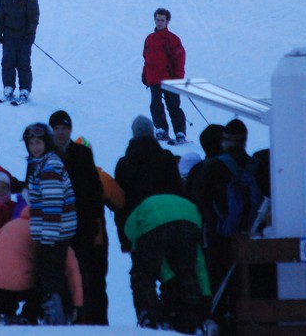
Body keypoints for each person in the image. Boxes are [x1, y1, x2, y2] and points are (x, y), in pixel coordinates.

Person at [197, 118, 265, 317]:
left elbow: (200, 201)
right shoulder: (258, 166)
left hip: (220, 238)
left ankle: (220, 321)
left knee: (219, 282)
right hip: (252, 237)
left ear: (224, 141)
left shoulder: (212, 167)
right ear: (245, 140)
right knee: (248, 283)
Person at [47, 111, 107, 325]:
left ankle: (82, 319)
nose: (60, 132)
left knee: (81, 274)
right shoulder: (46, 154)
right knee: (57, 273)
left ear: (70, 130)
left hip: (81, 226)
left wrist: (93, 220)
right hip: (54, 227)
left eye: (63, 128)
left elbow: (95, 189)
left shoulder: (82, 153)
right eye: (56, 128)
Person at [125, 193, 211, 333]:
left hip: (153, 221)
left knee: (142, 276)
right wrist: (206, 295)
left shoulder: (131, 226)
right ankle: (191, 318)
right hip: (191, 217)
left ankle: (151, 321)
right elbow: (198, 262)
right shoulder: (176, 204)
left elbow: (149, 255)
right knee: (185, 271)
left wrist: (169, 278)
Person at [21, 123, 76, 325]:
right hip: (51, 233)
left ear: (47, 143)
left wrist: (47, 239)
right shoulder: (41, 164)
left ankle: (56, 316)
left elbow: (53, 204)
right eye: (31, 144)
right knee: (52, 274)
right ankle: (65, 313)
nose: (34, 147)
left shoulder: (49, 166)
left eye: (38, 142)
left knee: (50, 276)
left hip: (53, 234)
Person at [113, 116, 185, 251]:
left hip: (139, 229)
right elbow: (178, 193)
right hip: (168, 225)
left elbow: (121, 204)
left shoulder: (124, 165)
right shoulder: (167, 158)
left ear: (134, 134)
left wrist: (124, 238)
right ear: (152, 133)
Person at [142, 8, 189, 144]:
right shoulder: (149, 39)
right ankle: (161, 129)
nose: (159, 22)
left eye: (162, 20)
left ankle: (180, 132)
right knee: (156, 105)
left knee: (173, 106)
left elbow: (180, 60)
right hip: (154, 78)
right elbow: (146, 58)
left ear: (167, 21)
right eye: (158, 20)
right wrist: (145, 75)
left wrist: (178, 78)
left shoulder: (173, 39)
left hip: (170, 79)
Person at [0, 0, 40, 104]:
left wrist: (31, 34)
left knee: (23, 63)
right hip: (8, 36)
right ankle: (8, 88)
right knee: (8, 62)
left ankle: (24, 90)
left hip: (24, 37)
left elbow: (34, 17)